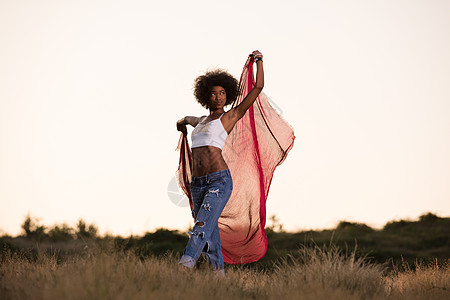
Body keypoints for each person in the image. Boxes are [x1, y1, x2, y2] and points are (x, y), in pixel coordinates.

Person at [176, 50, 264, 274]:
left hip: (218, 181)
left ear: (228, 95)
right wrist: (181, 123)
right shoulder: (202, 121)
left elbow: (257, 89)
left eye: (222, 93)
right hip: (197, 184)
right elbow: (187, 118)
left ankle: (185, 265)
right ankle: (218, 277)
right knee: (210, 234)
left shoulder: (230, 116)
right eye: (213, 93)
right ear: (206, 96)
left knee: (201, 226)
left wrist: (258, 62)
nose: (218, 97)